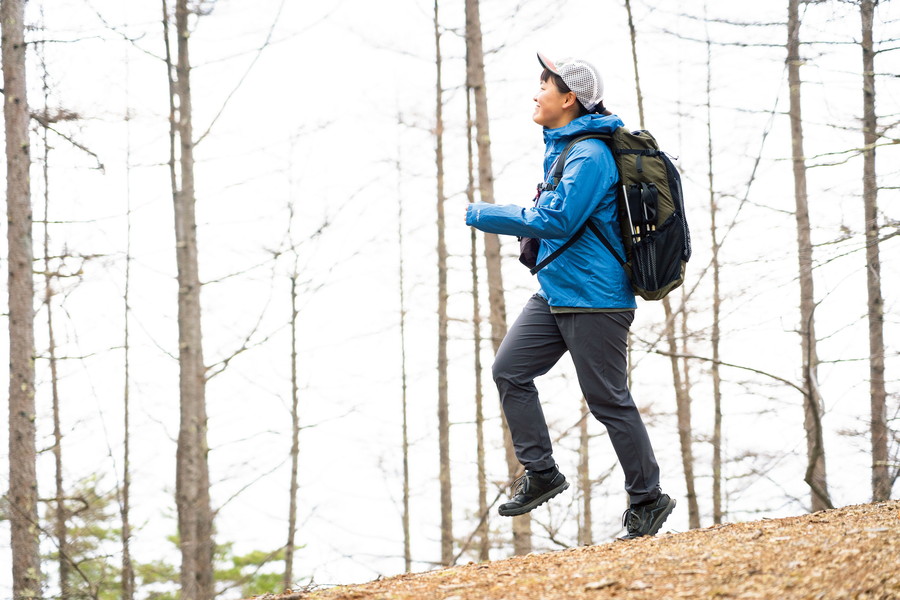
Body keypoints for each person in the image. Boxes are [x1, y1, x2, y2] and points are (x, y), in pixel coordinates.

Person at [464, 53, 676, 540]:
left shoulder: (590, 156)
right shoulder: (564, 149)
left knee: (608, 400)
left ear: (569, 98)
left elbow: (557, 220)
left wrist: (483, 213)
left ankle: (648, 498)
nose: (535, 93)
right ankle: (542, 472)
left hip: (596, 298)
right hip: (557, 290)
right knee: (509, 370)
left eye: (544, 85)